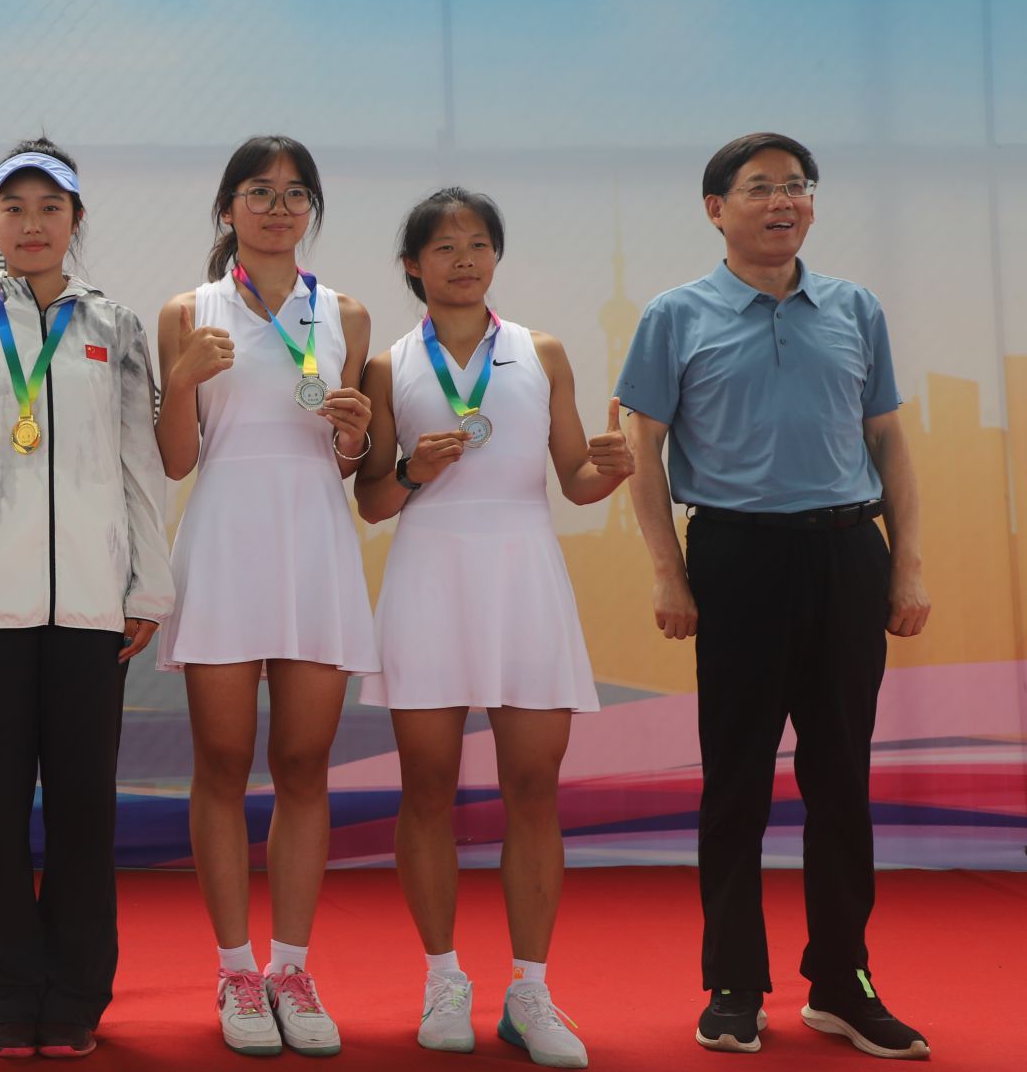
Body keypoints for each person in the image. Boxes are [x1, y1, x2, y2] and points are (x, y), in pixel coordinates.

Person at [616, 133, 930, 1060]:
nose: (783, 201)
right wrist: (668, 570)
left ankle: (842, 980)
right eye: (760, 188)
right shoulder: (676, 313)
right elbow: (642, 450)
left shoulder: (855, 307)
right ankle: (734, 983)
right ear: (717, 208)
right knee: (737, 781)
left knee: (842, 779)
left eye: (797, 185)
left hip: (848, 551)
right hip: (736, 556)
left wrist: (907, 562)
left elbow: (889, 440)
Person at [355, 187, 634, 1069]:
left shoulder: (539, 352)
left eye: (478, 244)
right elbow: (373, 501)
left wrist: (611, 468)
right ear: (413, 265)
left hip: (524, 575)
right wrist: (413, 470)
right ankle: (443, 978)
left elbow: (574, 479)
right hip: (429, 575)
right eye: (444, 247)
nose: (464, 259)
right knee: (427, 787)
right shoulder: (388, 365)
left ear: (496, 256)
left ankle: (530, 989)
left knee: (534, 786)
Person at [0, 141, 174, 1059]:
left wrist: (147, 579)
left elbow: (139, 462)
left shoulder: (117, 327)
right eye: (14, 208)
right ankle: (3, 992)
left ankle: (73, 996)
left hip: (92, 606)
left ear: (76, 220)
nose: (31, 224)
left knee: (83, 806)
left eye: (50, 208)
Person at [153, 135, 374, 1058]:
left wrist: (356, 435)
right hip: (225, 540)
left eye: (294, 194)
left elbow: (348, 459)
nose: (278, 208)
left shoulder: (346, 314)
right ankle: (235, 968)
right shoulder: (188, 312)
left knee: (304, 763)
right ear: (227, 208)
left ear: (311, 209)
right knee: (221, 759)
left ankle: (291, 966)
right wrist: (179, 381)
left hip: (314, 541)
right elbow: (176, 459)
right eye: (259, 191)